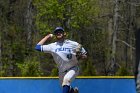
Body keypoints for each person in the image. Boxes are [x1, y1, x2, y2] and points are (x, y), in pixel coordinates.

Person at [35, 27, 87, 93]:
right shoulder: (52, 46)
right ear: (55, 35)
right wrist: (47, 36)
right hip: (61, 71)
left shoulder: (73, 44)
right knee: (66, 86)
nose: (58, 33)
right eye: (56, 32)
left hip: (73, 68)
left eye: (60, 31)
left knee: (66, 80)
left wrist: (81, 56)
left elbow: (85, 56)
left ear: (64, 33)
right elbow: (37, 47)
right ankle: (73, 92)